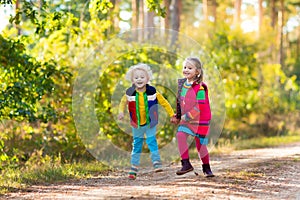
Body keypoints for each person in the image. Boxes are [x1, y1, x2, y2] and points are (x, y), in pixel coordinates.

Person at [118, 63, 175, 180]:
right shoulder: (130, 93)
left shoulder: (153, 92)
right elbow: (123, 102)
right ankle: (133, 168)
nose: (139, 79)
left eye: (142, 77)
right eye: (136, 77)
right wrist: (121, 112)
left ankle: (156, 162)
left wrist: (172, 114)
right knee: (137, 145)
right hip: (136, 123)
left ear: (148, 79)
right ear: (132, 79)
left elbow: (164, 102)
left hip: (150, 122)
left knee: (151, 141)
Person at [170, 57, 214, 177]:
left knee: (201, 145)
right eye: (185, 67)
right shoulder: (182, 85)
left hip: (201, 121)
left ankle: (206, 167)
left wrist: (186, 116)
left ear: (197, 72)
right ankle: (186, 163)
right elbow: (182, 103)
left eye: (190, 68)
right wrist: (178, 116)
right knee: (180, 135)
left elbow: (199, 106)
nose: (186, 70)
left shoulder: (200, 87)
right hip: (187, 120)